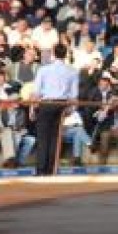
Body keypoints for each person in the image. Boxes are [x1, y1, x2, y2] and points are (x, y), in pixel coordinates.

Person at [30, 43, 79, 176]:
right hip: (62, 105)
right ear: (65, 54)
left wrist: (32, 109)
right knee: (55, 138)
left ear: (53, 53)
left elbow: (36, 92)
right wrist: (71, 110)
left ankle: (41, 170)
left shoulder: (44, 69)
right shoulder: (72, 71)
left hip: (47, 103)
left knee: (43, 137)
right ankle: (51, 170)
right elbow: (74, 95)